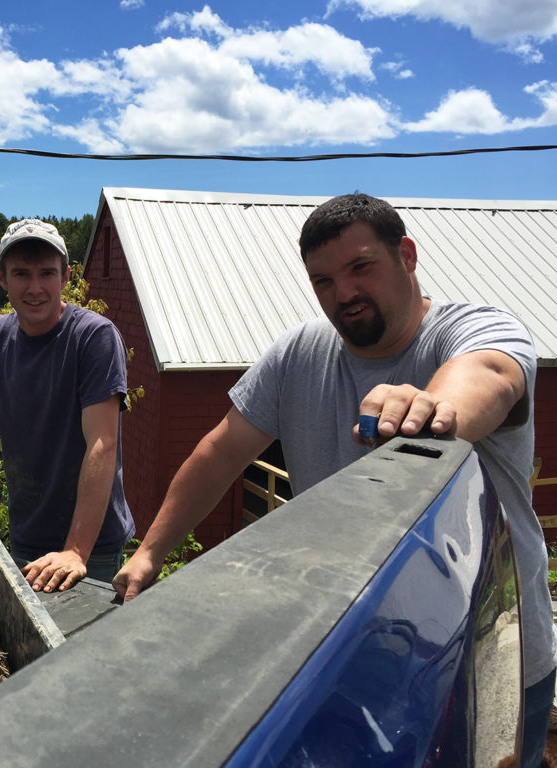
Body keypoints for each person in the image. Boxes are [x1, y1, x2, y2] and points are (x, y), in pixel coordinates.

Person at [113, 193, 557, 767]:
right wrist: (150, 553)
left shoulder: (477, 330)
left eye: (360, 268)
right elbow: (221, 452)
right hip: (351, 662)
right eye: (323, 280)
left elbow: (487, 377)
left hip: (487, 660)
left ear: (407, 256)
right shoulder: (299, 353)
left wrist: (426, 405)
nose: (343, 294)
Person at [0, 218, 134, 593]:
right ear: (2, 278)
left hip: (92, 546)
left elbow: (103, 443)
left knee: (84, 649)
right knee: (32, 648)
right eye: (21, 274)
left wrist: (75, 552)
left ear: (65, 277)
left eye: (47, 273)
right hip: (26, 539)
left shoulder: (93, 337)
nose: (35, 288)